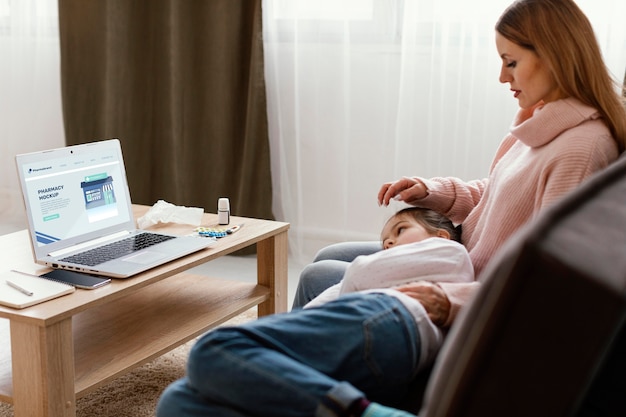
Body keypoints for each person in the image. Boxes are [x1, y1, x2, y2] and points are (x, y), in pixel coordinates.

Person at [157, 0, 626, 416]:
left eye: (510, 62)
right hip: (463, 257)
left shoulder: (579, 149)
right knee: (325, 263)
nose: (502, 77)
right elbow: (495, 193)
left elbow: (544, 287)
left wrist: (449, 301)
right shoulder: (540, 123)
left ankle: (280, 369)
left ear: (555, 54)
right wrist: (431, 191)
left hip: (468, 283)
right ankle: (286, 371)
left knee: (319, 278)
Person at [304, 207, 473, 309]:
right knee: (324, 258)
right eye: (385, 244)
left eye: (400, 230)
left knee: (314, 274)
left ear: (441, 237)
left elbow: (359, 273)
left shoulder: (451, 253)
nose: (389, 243)